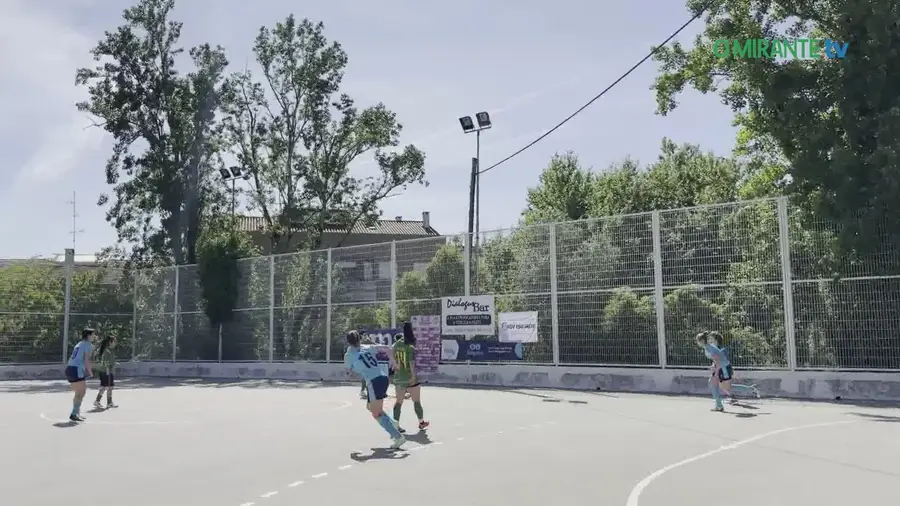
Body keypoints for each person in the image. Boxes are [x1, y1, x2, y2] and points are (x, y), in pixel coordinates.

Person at [344, 330, 406, 449]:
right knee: (370, 407)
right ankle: (392, 423)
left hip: (374, 382)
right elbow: (387, 349)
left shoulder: (349, 356)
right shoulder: (368, 347)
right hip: (382, 378)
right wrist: (393, 361)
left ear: (348, 342)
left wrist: (352, 373)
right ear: (359, 339)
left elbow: (348, 373)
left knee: (376, 413)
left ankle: (398, 437)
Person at [391, 322, 429, 433]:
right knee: (416, 401)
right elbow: (411, 363)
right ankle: (421, 422)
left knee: (398, 402)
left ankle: (396, 425)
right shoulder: (410, 346)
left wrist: (396, 368)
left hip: (399, 377)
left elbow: (392, 358)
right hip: (409, 377)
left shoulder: (396, 345)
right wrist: (413, 376)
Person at [65, 328, 95, 422]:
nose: (94, 336)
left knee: (78, 393)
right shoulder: (87, 345)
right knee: (81, 392)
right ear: (88, 336)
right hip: (76, 369)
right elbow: (86, 360)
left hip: (70, 368)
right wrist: (90, 371)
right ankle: (74, 414)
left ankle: (76, 413)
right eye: (93, 334)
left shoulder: (80, 343)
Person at [696, 330, 730, 412]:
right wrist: (713, 367)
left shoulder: (709, 348)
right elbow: (716, 359)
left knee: (727, 388)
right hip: (720, 367)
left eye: (698, 341)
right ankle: (719, 406)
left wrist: (716, 374)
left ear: (702, 341)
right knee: (714, 384)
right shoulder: (707, 347)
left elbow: (718, 360)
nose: (697, 343)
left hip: (724, 367)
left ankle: (751, 389)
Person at [92, 335, 118, 409]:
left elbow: (110, 360)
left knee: (109, 387)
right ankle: (99, 401)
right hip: (105, 371)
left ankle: (108, 402)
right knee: (106, 387)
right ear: (110, 342)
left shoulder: (111, 350)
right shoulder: (107, 351)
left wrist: (114, 363)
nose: (115, 342)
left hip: (108, 371)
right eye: (114, 341)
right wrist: (107, 371)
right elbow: (105, 361)